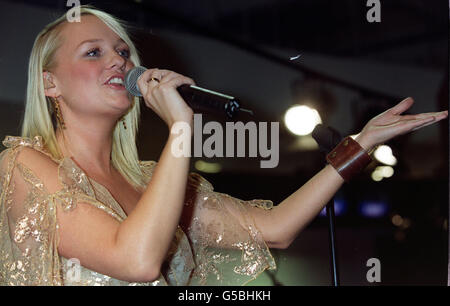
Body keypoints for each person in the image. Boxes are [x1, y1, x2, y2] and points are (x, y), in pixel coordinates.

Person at [0, 5, 447, 286]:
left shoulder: (151, 180)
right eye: (93, 52)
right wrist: (181, 129)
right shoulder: (23, 164)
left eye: (122, 51)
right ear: (50, 83)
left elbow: (275, 228)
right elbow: (134, 261)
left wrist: (359, 144)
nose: (119, 60)